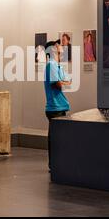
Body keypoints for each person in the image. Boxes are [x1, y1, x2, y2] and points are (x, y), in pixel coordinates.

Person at [44, 40, 72, 171]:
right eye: (57, 45)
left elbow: (67, 81)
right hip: (55, 108)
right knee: (55, 139)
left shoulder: (57, 65)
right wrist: (63, 82)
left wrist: (64, 82)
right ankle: (54, 164)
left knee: (58, 138)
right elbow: (59, 84)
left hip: (59, 106)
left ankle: (56, 164)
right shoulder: (51, 65)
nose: (60, 46)